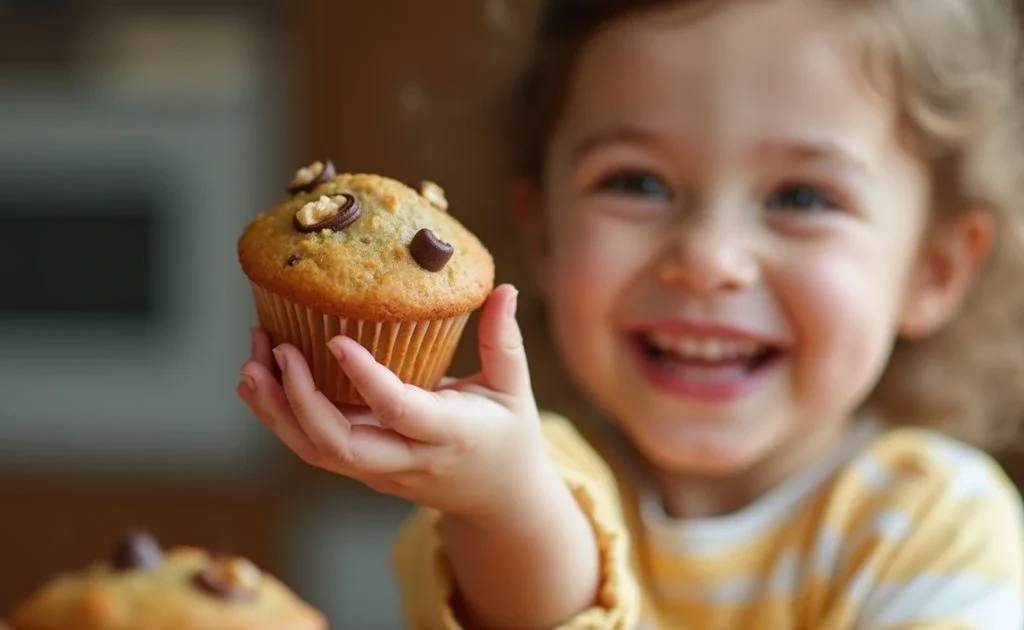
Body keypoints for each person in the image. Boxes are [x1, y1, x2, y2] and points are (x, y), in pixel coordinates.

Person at [236, 0, 1024, 627]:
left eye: (802, 197)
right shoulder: (521, 485)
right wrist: (504, 503)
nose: (710, 257)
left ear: (935, 268)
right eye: (637, 184)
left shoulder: (940, 527)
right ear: (542, 228)